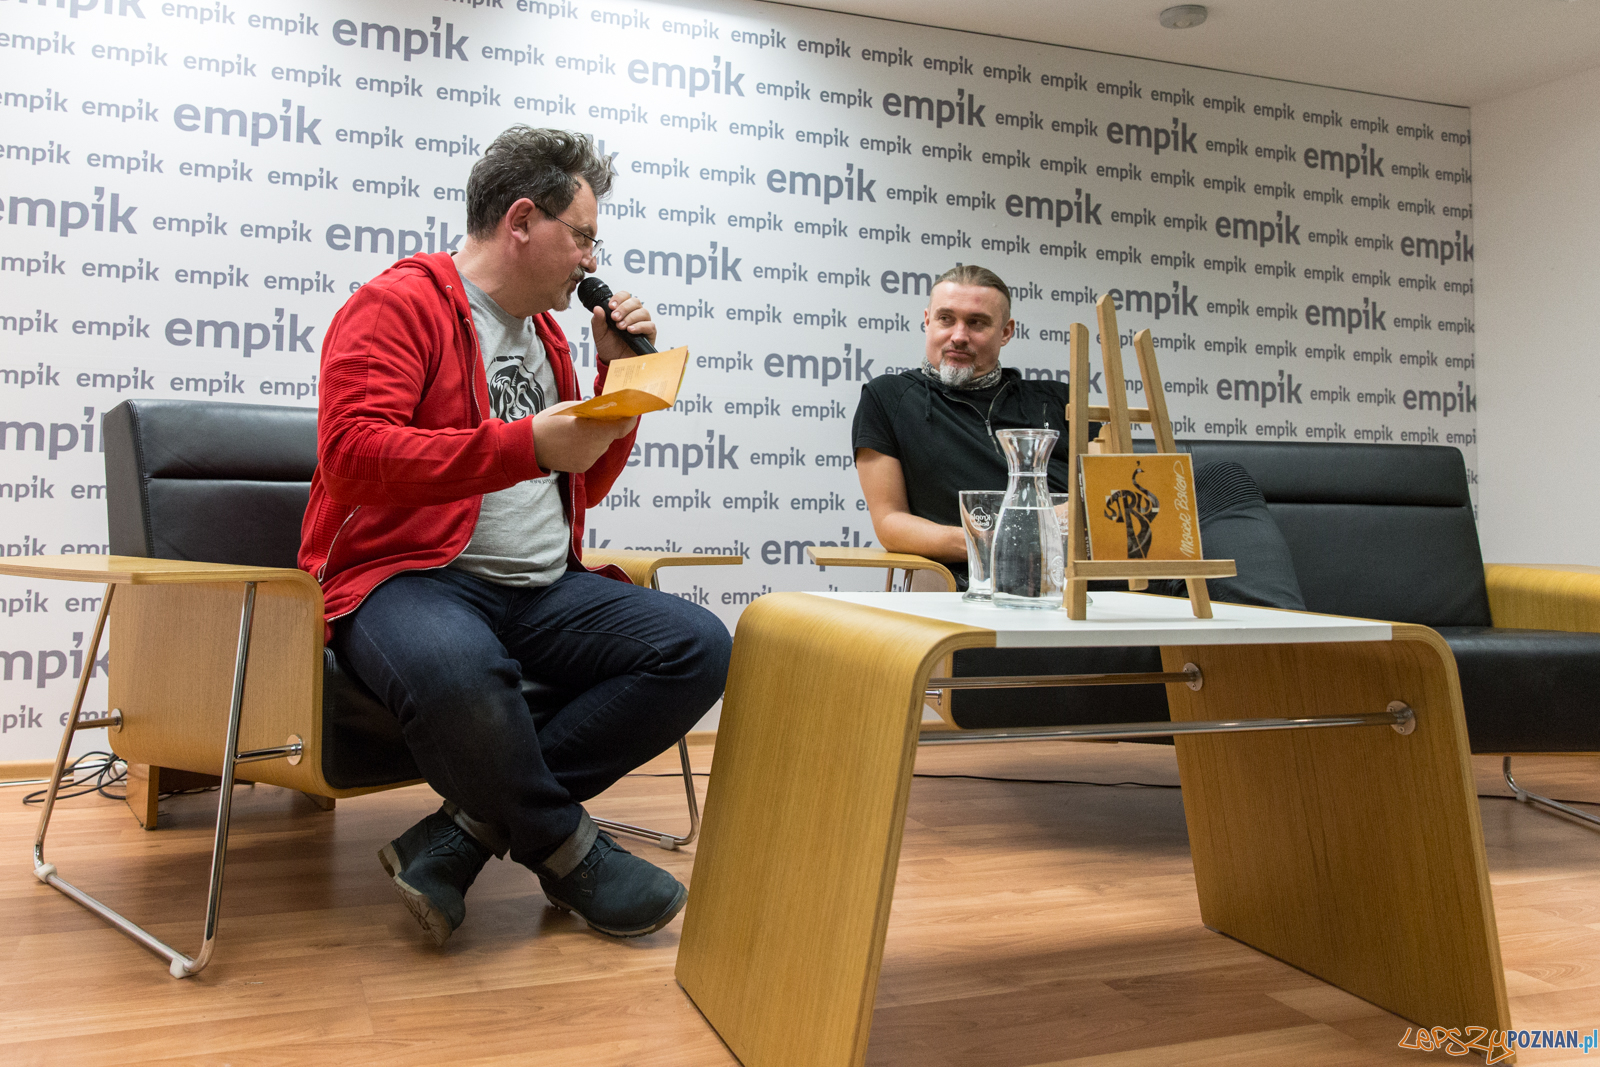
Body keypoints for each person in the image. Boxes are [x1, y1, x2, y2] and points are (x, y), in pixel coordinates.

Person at [300, 126, 731, 947]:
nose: (591, 260)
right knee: (460, 667)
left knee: (697, 646)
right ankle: (569, 852)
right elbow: (351, 456)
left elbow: (581, 483)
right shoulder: (399, 304)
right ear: (523, 220)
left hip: (541, 586)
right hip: (408, 577)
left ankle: (462, 833)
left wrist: (616, 381)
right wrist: (523, 442)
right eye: (584, 236)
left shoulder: (549, 337)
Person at [852, 263, 1306, 609]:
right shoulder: (889, 398)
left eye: (977, 323)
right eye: (946, 319)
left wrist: (1079, 518)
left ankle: (1282, 641)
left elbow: (1114, 486)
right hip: (1006, 569)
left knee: (1221, 480)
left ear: (1005, 332)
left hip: (1097, 551)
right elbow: (890, 522)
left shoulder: (1054, 399)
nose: (958, 335)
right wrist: (1007, 536)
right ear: (926, 320)